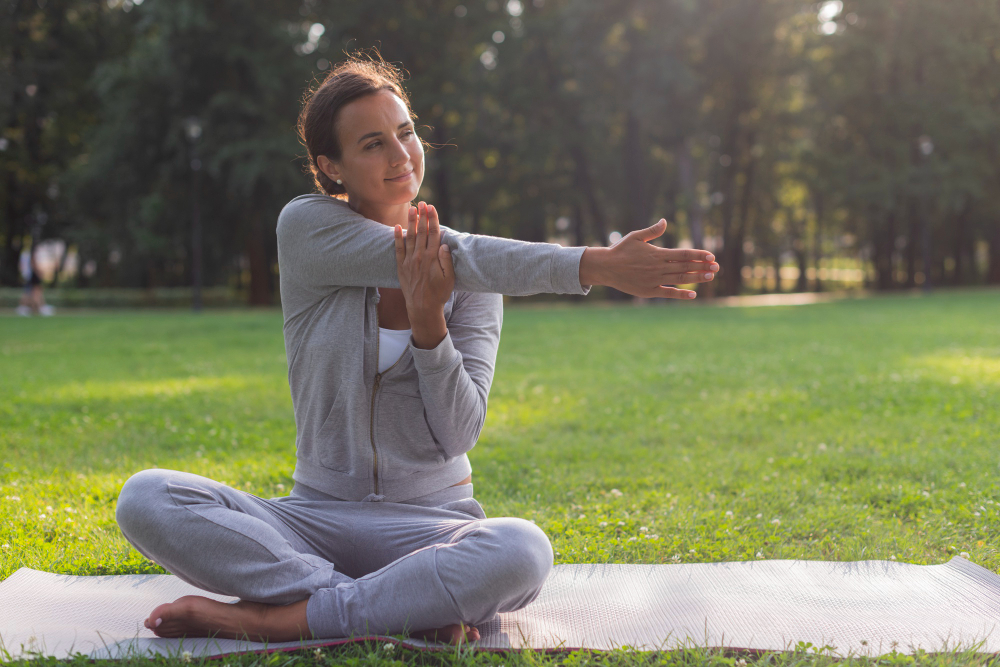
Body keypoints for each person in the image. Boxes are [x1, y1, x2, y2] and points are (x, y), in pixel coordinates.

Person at [113, 56, 719, 646]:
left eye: (405, 133)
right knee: (146, 497)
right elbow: (455, 254)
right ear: (332, 167)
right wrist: (598, 265)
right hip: (315, 518)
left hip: (432, 525)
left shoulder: (479, 288)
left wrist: (430, 326)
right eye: (373, 143)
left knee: (523, 549)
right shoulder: (306, 229)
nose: (401, 155)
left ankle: (283, 620)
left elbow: (458, 432)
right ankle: (396, 605)